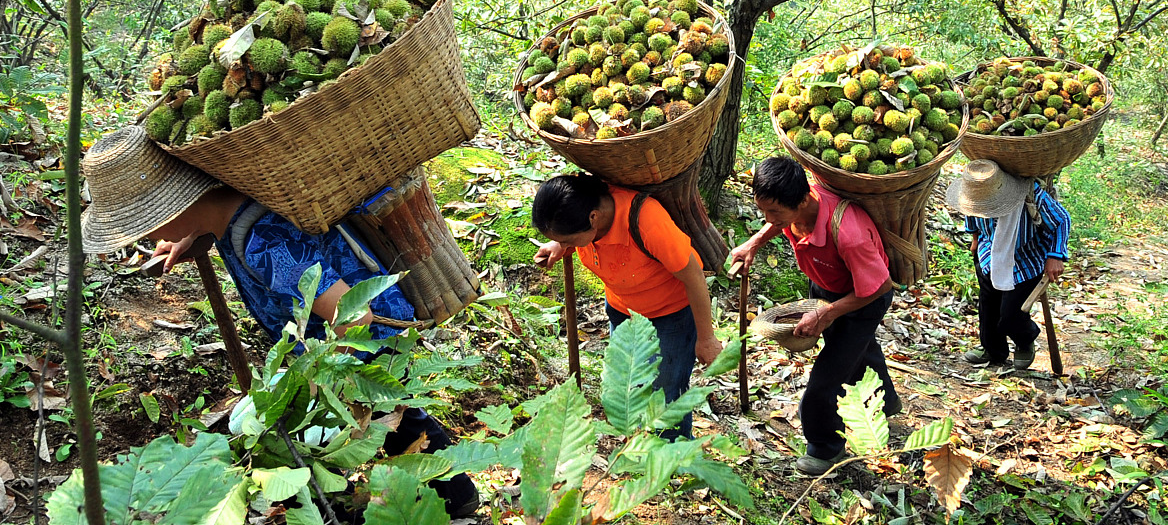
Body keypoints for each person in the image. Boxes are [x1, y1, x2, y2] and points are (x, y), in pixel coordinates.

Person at [79, 126, 479, 518]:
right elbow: (213, 219)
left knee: (382, 421)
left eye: (147, 226)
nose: (149, 236)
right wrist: (190, 235)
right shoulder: (234, 208)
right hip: (351, 340)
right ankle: (447, 494)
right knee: (394, 418)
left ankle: (425, 499)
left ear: (175, 209)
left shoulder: (264, 244)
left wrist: (322, 382)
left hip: (365, 343)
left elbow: (355, 313)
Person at [731, 156, 900, 475]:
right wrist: (753, 242)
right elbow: (778, 221)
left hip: (863, 299)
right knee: (859, 351)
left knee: (826, 379)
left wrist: (827, 314)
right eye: (763, 211)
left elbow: (879, 286)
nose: (769, 219)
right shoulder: (792, 208)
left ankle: (825, 448)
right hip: (826, 285)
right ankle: (886, 401)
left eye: (774, 212)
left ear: (804, 199)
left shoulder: (848, 234)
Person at [531, 173, 722, 440]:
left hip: (671, 318)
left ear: (593, 218)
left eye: (567, 240)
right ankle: (638, 444)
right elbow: (580, 236)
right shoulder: (582, 217)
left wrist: (707, 338)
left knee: (665, 395)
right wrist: (559, 244)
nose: (564, 246)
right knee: (629, 382)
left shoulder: (647, 221)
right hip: (623, 311)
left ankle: (673, 452)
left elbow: (694, 277)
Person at [945, 159, 1070, 370]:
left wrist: (1055, 256)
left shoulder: (1029, 193)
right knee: (988, 309)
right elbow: (971, 214)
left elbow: (1061, 220)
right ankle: (993, 350)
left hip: (1025, 258)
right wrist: (975, 239)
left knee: (1012, 314)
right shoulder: (973, 191)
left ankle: (1025, 340)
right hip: (988, 255)